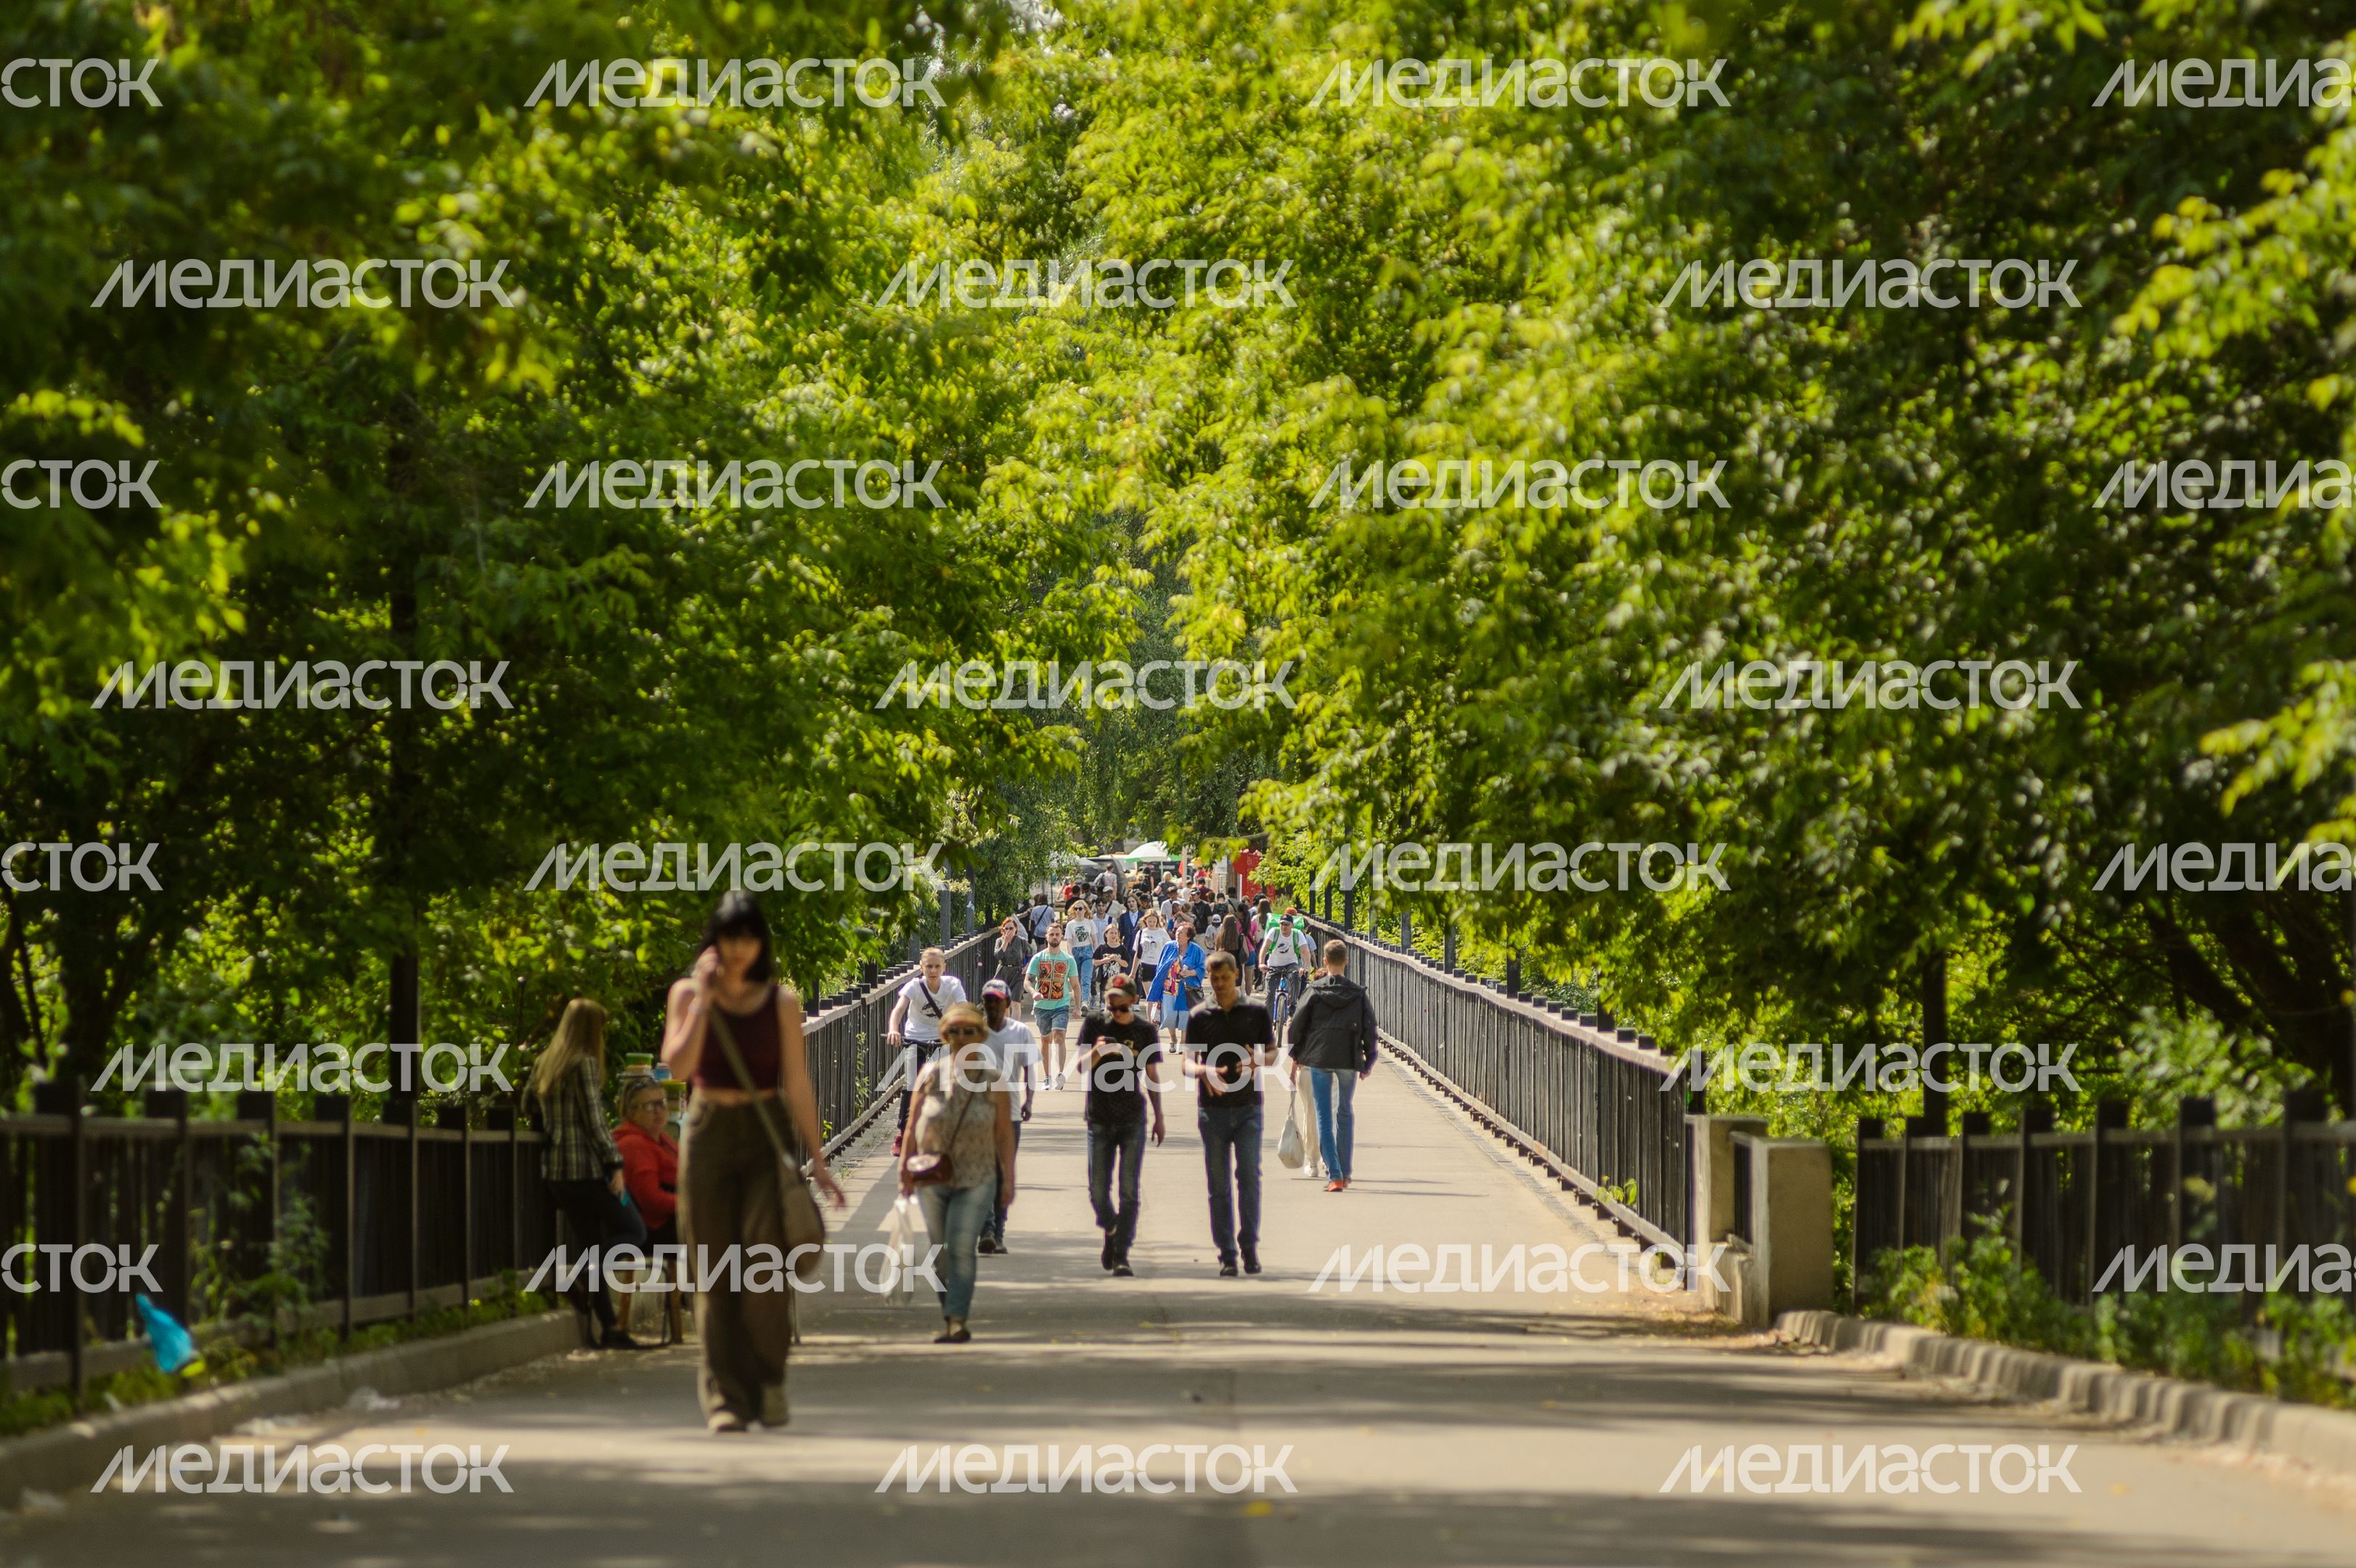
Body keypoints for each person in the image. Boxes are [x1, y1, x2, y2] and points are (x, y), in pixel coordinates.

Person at [663, 892, 848, 1431]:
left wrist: (817, 1160)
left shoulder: (781, 1003)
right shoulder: (686, 995)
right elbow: (677, 1066)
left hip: (764, 1133)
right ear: (714, 943)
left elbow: (795, 1083)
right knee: (713, 1267)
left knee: (765, 1267)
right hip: (707, 1132)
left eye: (748, 939)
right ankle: (725, 1397)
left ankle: (768, 1381)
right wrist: (702, 1000)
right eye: (729, 939)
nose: (739, 950)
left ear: (760, 943)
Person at [531, 999, 648, 1349]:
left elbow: (528, 1106)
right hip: (586, 1169)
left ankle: (610, 1329)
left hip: (557, 1171)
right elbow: (596, 1123)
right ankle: (580, 1274)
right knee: (634, 1231)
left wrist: (551, 1127)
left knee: (594, 1245)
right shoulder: (583, 1065)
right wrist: (615, 1165)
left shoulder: (545, 1063)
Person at [900, 1003, 1017, 1343]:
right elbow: (912, 1125)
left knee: (962, 1247)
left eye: (969, 1031)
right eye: (955, 1031)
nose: (962, 1038)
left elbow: (1004, 1135)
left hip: (977, 1176)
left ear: (980, 1035)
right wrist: (904, 1169)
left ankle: (957, 1319)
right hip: (933, 1175)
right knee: (940, 1252)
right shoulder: (930, 1074)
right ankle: (949, 1310)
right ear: (945, 1035)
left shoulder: (993, 1079)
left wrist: (1008, 1178)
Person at [1183, 951, 1276, 1275]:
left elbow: (1274, 1054)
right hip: (1212, 1112)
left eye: (1225, 978)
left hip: (1249, 1107)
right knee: (1218, 1184)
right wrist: (1203, 1070)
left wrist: (1256, 1060)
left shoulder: (1256, 1012)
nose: (1220, 984)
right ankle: (1226, 1253)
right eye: (1214, 978)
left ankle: (1249, 1246)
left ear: (1236, 975)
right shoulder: (1199, 1016)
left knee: (1249, 1176)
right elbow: (1186, 1062)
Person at [1074, 978, 1165, 1275]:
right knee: (1098, 1192)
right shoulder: (1095, 1024)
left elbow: (1151, 1075)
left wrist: (1159, 1116)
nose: (1115, 1012)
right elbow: (1080, 1066)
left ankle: (1123, 1252)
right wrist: (1097, 1051)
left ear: (1134, 1001)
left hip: (1131, 1119)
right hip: (1099, 1117)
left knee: (1129, 1192)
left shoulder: (1144, 1030)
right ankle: (1112, 1229)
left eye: (1122, 1006)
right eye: (1111, 1005)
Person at [1287, 939, 1378, 1192]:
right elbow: (1370, 1028)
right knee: (1345, 1112)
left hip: (1320, 1057)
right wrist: (1368, 1060)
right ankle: (1346, 1171)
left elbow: (1297, 1025)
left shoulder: (1315, 991)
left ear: (1324, 962)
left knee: (1324, 1116)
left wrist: (1297, 1053)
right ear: (1346, 960)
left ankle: (1335, 1175)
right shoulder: (1358, 994)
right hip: (1348, 1057)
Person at [977, 979, 1038, 1254]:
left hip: (1010, 1111)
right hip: (978, 1112)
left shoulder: (1020, 1032)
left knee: (1002, 1173)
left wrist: (1029, 1101)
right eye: (987, 1000)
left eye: (997, 1000)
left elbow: (1029, 1069)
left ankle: (998, 1231)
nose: (992, 1006)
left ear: (1006, 1003)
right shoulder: (974, 1032)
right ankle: (987, 1230)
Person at [887, 947, 966, 1153]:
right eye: (929, 966)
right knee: (911, 1084)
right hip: (916, 1038)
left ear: (944, 967)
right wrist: (893, 1029)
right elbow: (899, 1009)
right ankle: (903, 1134)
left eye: (937, 966)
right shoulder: (914, 986)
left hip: (942, 1038)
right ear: (921, 968)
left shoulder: (952, 985)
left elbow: (963, 1007)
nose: (933, 971)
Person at [615, 1079, 680, 1250]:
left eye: (662, 1103)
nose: (659, 1111)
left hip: (676, 1216)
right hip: (657, 1228)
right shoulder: (634, 1144)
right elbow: (652, 1200)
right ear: (632, 1112)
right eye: (650, 1106)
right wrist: (691, 1205)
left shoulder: (660, 1138)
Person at [1025, 922, 1078, 1087]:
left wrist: (1077, 1007)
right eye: (1052, 934)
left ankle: (1060, 1074)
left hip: (1061, 1004)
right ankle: (1047, 1076)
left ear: (1061, 936)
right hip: (1042, 1006)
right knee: (1046, 1040)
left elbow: (1075, 985)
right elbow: (1027, 981)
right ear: (1046, 936)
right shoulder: (1038, 958)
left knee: (1059, 1035)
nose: (1055, 937)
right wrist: (1034, 993)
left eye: (1057, 934)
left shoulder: (1068, 960)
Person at [1156, 920, 1206, 1046]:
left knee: (1185, 1015)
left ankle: (1183, 1042)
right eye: (1177, 931)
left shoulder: (1196, 950)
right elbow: (1160, 965)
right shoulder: (1169, 946)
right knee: (1169, 1015)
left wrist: (1190, 972)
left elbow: (1203, 968)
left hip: (1187, 988)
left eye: (1181, 933)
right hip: (1169, 987)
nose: (1177, 934)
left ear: (1188, 936)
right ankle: (1173, 1039)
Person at [1133, 909, 1170, 1027]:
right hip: (1145, 965)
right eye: (1149, 921)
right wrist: (1133, 972)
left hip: (1159, 966)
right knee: (1150, 994)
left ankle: (1157, 1018)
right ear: (1146, 921)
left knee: (1158, 994)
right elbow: (1138, 953)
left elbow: (1170, 948)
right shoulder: (1141, 933)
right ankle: (1150, 1021)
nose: (1152, 923)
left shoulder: (1162, 932)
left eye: (1154, 921)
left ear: (1157, 921)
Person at [991, 916, 1032, 1016]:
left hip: (1018, 973)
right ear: (1003, 930)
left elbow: (1031, 956)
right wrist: (1005, 942)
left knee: (1015, 1002)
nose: (1009, 931)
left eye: (1011, 928)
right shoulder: (999, 941)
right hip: (1003, 972)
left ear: (1016, 929)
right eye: (1006, 928)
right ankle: (1008, 1027)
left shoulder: (1022, 941)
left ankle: (1016, 1028)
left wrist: (1027, 966)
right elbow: (998, 956)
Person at [1066, 899, 1098, 1012]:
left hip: (1088, 952)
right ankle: (1078, 1004)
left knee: (1086, 978)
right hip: (1075, 952)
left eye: (1081, 908)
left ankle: (1085, 1001)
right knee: (1077, 980)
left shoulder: (1090, 923)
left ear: (1085, 910)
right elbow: (1069, 941)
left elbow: (1094, 940)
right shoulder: (1070, 925)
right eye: (1076, 909)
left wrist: (1096, 954)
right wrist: (1070, 955)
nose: (1078, 911)